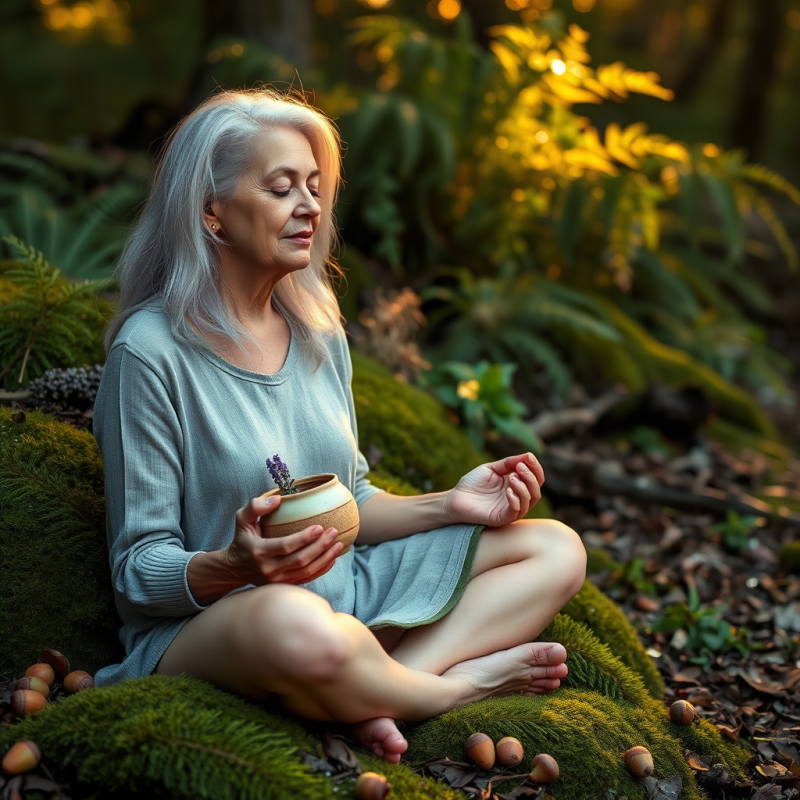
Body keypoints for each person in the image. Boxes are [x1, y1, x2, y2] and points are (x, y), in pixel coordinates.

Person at [93, 88, 587, 764]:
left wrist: (451, 505)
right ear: (212, 211)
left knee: (554, 549)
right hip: (226, 619)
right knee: (295, 623)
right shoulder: (149, 354)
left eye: (316, 186)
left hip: (344, 595)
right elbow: (135, 571)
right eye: (282, 187)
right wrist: (232, 565)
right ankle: (443, 690)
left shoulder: (320, 332)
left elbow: (348, 503)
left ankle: (381, 690)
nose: (311, 206)